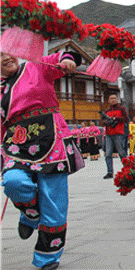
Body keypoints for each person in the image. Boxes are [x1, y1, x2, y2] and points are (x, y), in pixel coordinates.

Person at [1, 50, 83, 270]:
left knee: (53, 199)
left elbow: (61, 58)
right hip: (16, 144)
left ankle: (48, 257)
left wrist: (67, 60)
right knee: (13, 182)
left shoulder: (35, 67)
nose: (5, 58)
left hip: (51, 138)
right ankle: (31, 213)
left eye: (6, 53)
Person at [100, 93, 129, 179]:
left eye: (115, 98)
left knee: (121, 153)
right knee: (108, 154)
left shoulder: (121, 109)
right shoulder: (107, 111)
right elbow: (102, 122)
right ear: (108, 101)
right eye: (111, 98)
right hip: (109, 135)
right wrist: (107, 122)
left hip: (118, 134)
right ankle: (110, 172)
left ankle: (127, 170)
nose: (113, 100)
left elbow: (126, 119)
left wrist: (116, 119)